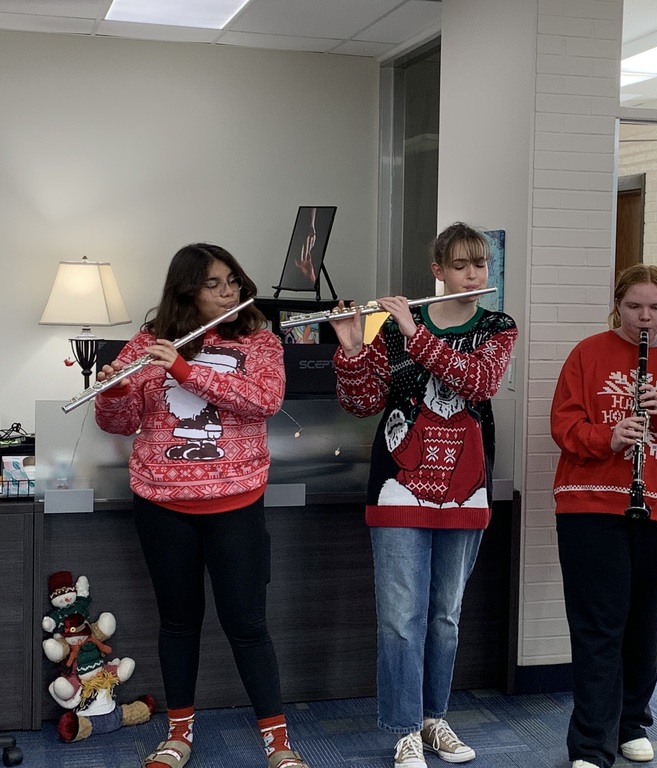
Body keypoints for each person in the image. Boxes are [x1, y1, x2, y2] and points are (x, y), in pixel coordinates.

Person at [94, 243, 309, 768]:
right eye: (214, 283)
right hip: (162, 503)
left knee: (247, 623)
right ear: (186, 289)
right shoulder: (149, 341)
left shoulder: (260, 340)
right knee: (178, 622)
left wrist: (186, 371)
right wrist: (113, 391)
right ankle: (178, 735)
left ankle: (277, 743)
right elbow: (118, 424)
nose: (228, 291)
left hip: (235, 503)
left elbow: (264, 401)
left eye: (232, 280)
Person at [330, 222, 517, 768]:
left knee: (444, 615)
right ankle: (405, 728)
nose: (472, 275)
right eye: (459, 265)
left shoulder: (497, 326)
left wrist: (415, 333)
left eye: (479, 265)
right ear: (437, 271)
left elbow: (477, 383)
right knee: (399, 616)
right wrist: (351, 348)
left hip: (465, 491)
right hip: (398, 488)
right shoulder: (391, 328)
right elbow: (363, 402)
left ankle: (435, 719)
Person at [550, 264, 657, 768]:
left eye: (655, 308)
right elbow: (564, 424)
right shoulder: (588, 353)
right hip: (590, 501)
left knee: (644, 621)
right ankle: (589, 744)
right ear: (617, 306)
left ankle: (631, 723)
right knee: (598, 624)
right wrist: (608, 436)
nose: (644, 317)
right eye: (633, 307)